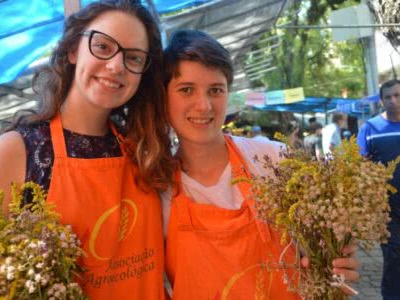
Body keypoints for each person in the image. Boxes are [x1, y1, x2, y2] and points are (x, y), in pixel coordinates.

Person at [0, 1, 174, 298]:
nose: (116, 65)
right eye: (103, 46)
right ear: (74, 50)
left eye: (134, 57)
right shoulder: (18, 150)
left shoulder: (142, 148)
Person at [161, 29, 359, 299]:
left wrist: (336, 261)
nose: (204, 105)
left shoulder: (274, 161)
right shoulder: (156, 191)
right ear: (163, 98)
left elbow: (323, 248)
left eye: (216, 90)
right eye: (186, 90)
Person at [357, 78, 400, 300]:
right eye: (388, 97)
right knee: (393, 257)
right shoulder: (371, 128)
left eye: (397, 95)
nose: (393, 101)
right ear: (382, 101)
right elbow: (360, 163)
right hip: (386, 208)